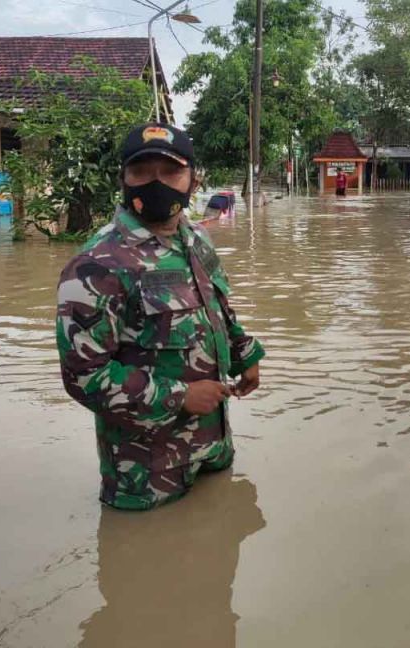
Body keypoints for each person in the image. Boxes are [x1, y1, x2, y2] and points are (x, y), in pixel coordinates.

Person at [56, 122, 265, 510]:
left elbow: (218, 308)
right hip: (146, 472)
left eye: (170, 171)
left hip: (213, 446)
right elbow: (83, 375)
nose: (156, 183)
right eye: (142, 172)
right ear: (123, 179)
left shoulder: (196, 239)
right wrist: (180, 396)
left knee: (219, 559)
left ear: (193, 179)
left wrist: (245, 354)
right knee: (141, 564)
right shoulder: (97, 263)